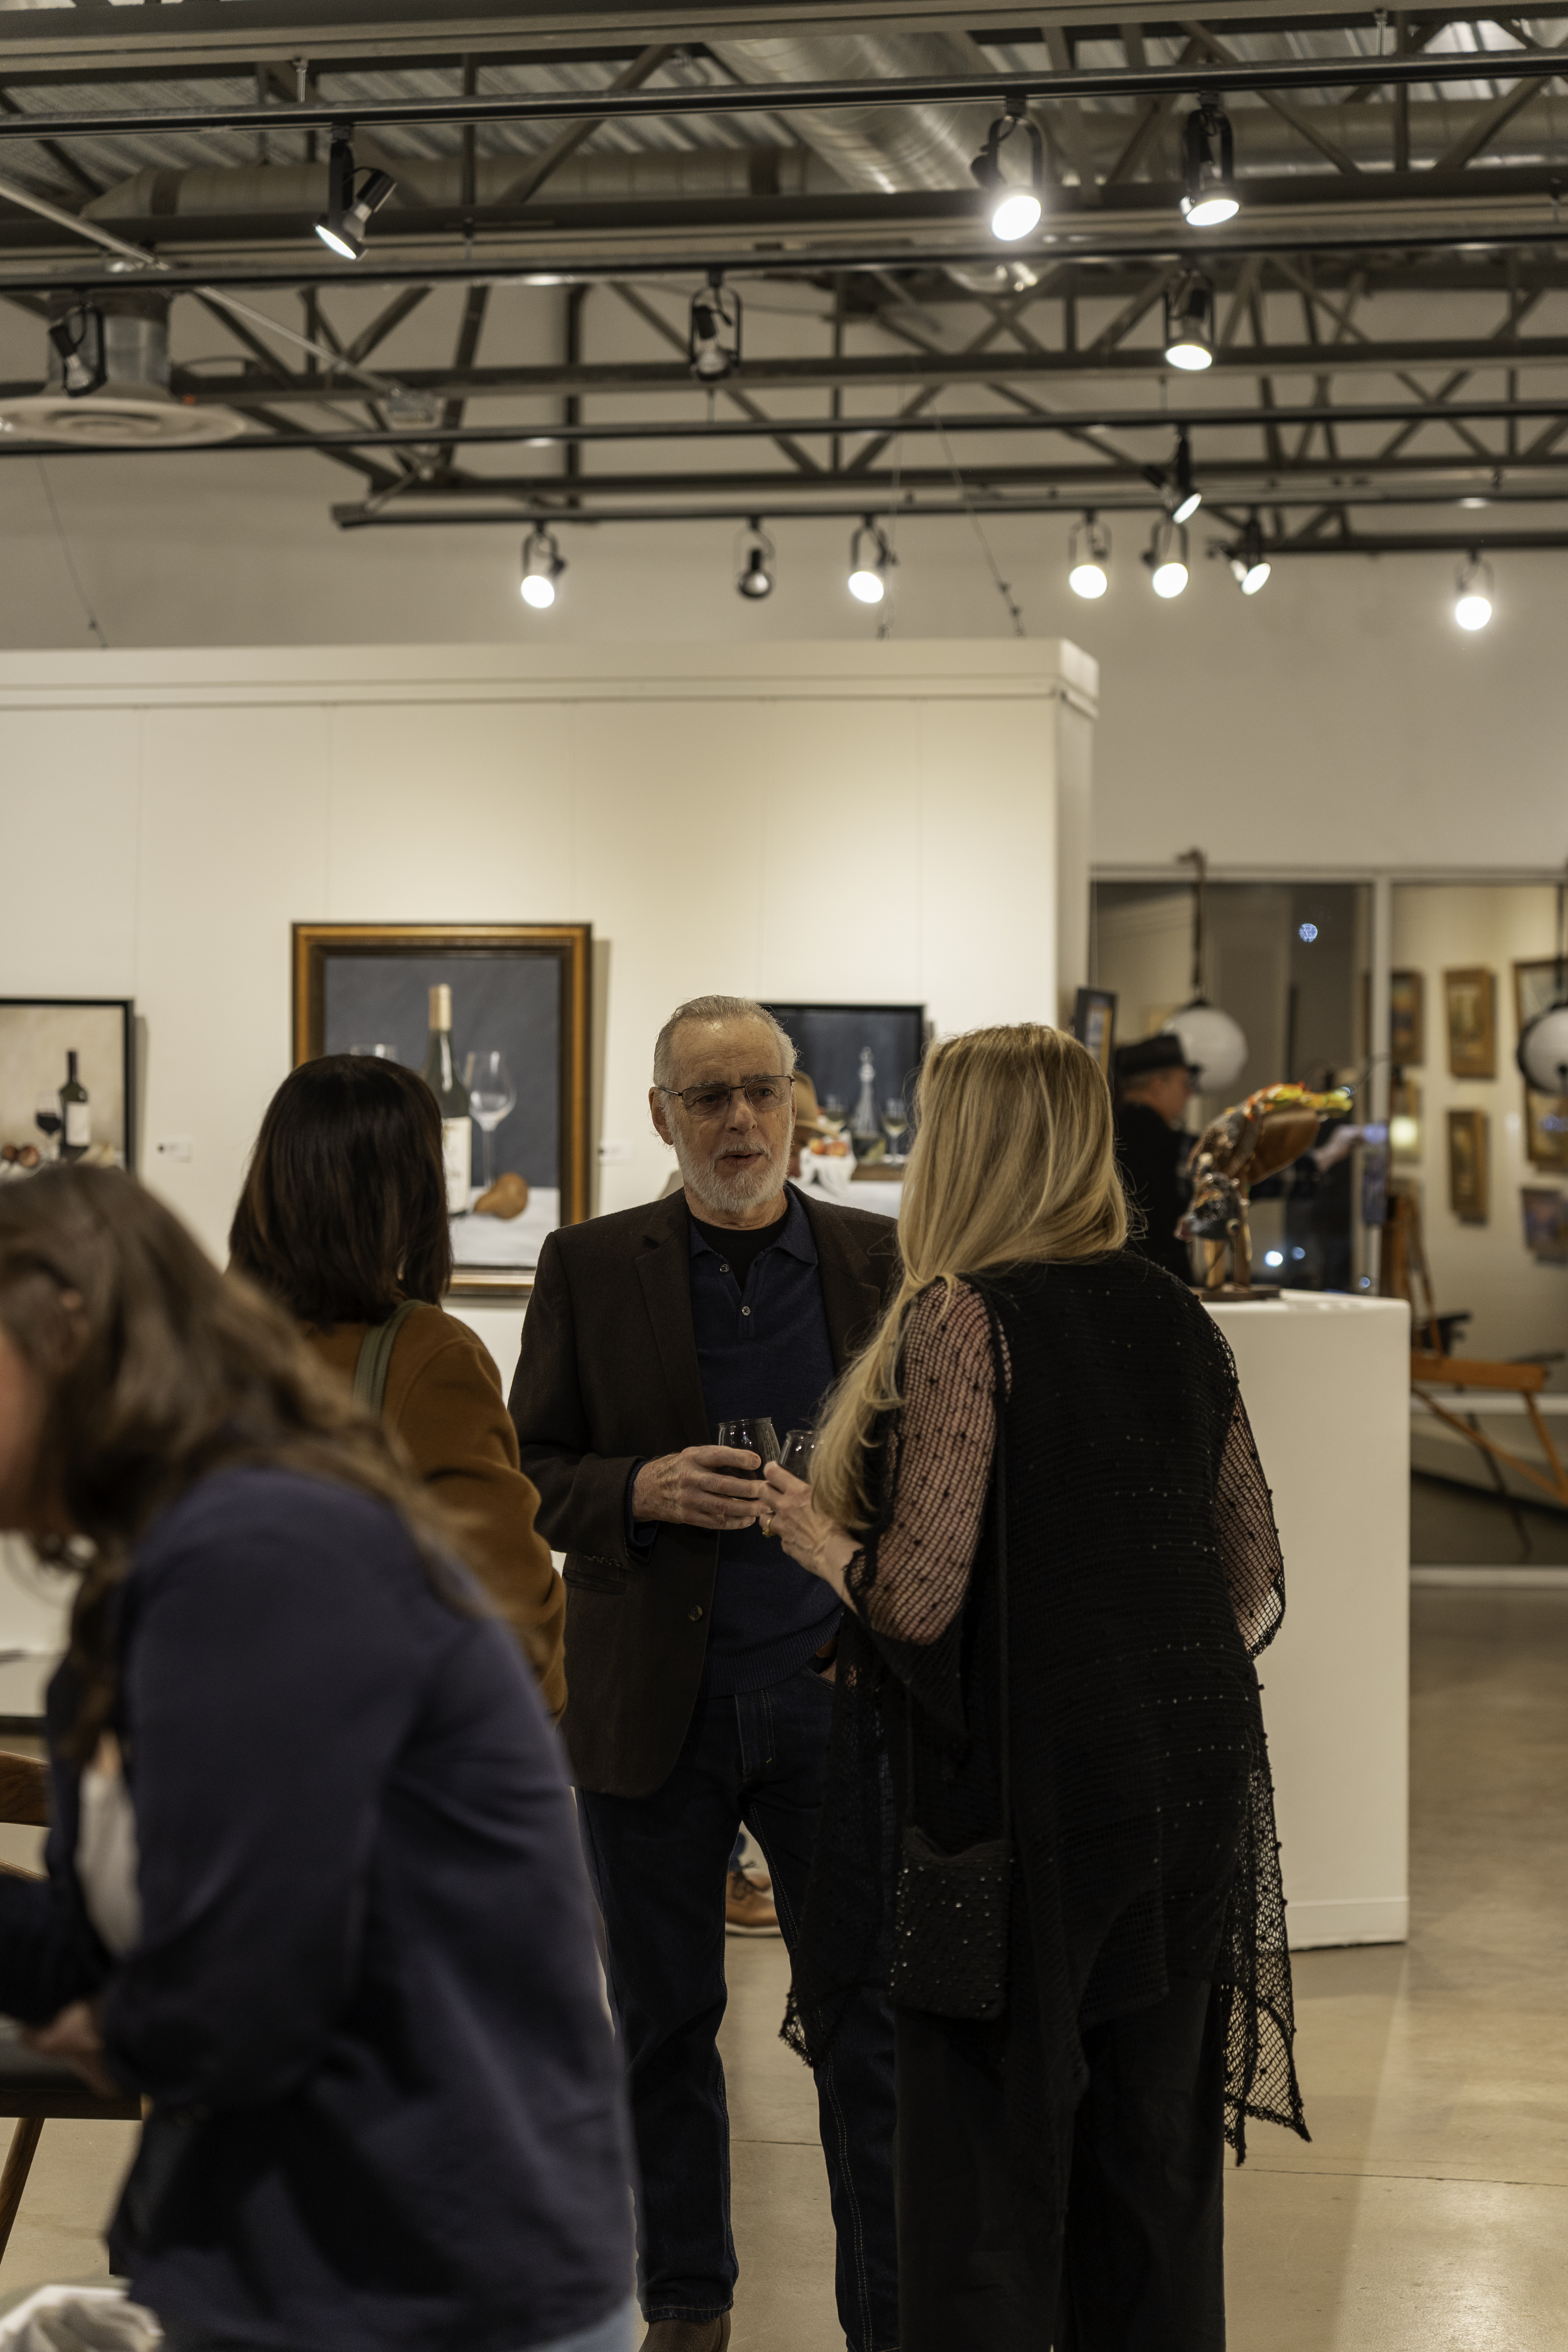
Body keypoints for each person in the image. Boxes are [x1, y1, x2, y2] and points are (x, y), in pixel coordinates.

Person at [0, 1164, 635, 2352]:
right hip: (294, 2255)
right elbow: (110, 1954)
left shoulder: (262, 1546)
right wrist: (131, 2001)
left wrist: (134, 2018)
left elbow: (245, 1994)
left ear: (67, 1327)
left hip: (437, 2280)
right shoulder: (136, 1591)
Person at [762, 1023, 1308, 2352]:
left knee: (984, 2178)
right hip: (1185, 1792)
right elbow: (1253, 1580)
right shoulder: (1173, 1312)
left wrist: (817, 1539)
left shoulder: (966, 1314)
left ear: (962, 1144)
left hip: (1022, 1806)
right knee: (1152, 2160)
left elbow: (915, 1598)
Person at [509, 994, 900, 2352]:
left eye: (760, 1090)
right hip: (648, 1708)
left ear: (796, 1103)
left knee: (866, 2021)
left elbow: (926, 1472)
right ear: (660, 1115)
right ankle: (685, 2304)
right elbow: (530, 1471)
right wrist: (639, 1486)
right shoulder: (588, 1262)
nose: (739, 1120)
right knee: (662, 2024)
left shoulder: (879, 1259)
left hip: (833, 1690)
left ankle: (887, 2311)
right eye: (708, 1096)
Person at [229, 1053, 565, 1717]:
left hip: (203, 1739)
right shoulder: (427, 1355)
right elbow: (513, 1621)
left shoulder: (194, 1341)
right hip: (350, 1747)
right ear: (414, 1189)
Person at [1112, 1032, 1197, 1285]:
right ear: (1158, 1085)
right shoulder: (1176, 1147)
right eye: (1184, 1083)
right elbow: (1236, 1175)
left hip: (1110, 1284)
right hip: (1164, 1286)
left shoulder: (1100, 1139)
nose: (1190, 1093)